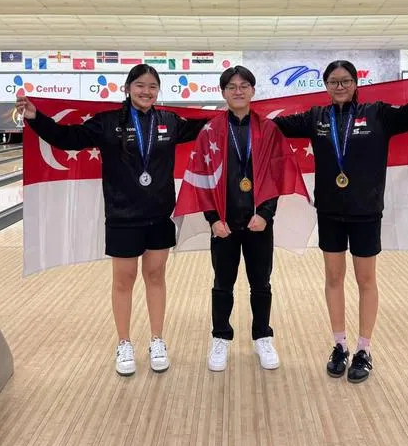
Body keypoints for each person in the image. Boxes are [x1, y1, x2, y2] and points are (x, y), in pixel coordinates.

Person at [272, 61, 408, 383]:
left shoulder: (378, 114)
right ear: (326, 85)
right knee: (333, 278)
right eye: (333, 82)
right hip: (330, 211)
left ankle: (364, 349)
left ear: (355, 83)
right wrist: (234, 113)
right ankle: (339, 345)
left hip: (365, 212)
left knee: (365, 280)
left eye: (345, 81)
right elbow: (269, 126)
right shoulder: (316, 118)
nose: (339, 87)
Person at [16, 64, 211, 377]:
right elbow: (68, 138)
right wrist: (35, 118)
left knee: (156, 276)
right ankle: (124, 343)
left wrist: (239, 111)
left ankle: (157, 340)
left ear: (158, 91)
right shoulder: (108, 123)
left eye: (152, 86)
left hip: (160, 215)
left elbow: (209, 126)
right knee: (124, 280)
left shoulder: (170, 122)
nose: (146, 91)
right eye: (140, 85)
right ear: (128, 88)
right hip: (122, 217)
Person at [201, 66, 281, 373]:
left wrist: (266, 214)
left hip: (258, 222)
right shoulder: (210, 131)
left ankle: (262, 336)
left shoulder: (267, 129)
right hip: (223, 224)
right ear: (223, 92)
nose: (238, 91)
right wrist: (212, 219)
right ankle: (220, 337)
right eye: (232, 86)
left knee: (261, 284)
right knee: (222, 285)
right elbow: (203, 177)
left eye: (244, 85)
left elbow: (276, 174)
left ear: (253, 90)